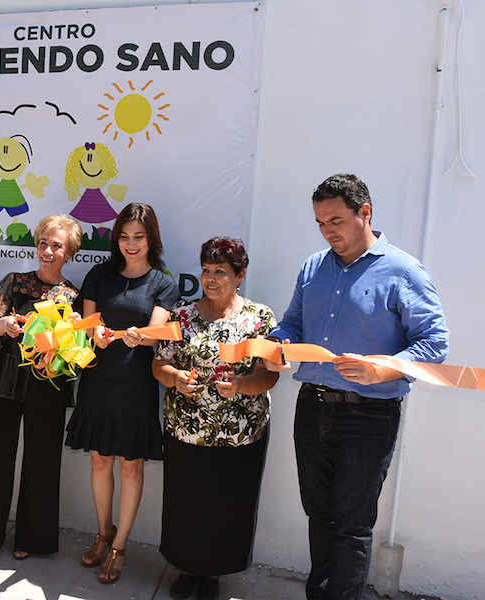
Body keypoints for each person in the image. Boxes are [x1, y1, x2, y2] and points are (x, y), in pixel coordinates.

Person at [262, 174, 449, 600]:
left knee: (352, 525)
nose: (328, 232)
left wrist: (386, 369)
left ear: (365, 213)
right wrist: (278, 342)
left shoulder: (404, 270)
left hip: (370, 415)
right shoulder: (314, 266)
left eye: (336, 220)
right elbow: (293, 321)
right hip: (312, 409)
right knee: (319, 515)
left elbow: (435, 344)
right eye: (320, 223)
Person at [152, 237, 279, 600]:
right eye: (206, 271)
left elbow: (269, 375)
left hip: (240, 433)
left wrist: (240, 384)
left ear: (240, 275)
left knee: (228, 504)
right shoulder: (182, 315)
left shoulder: (260, 318)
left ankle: (213, 574)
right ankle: (187, 567)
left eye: (220, 272)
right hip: (185, 430)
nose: (210, 279)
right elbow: (159, 363)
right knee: (186, 501)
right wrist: (175, 377)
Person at [65, 202, 179, 584]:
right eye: (125, 237)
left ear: (151, 240)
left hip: (136, 384)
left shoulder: (163, 281)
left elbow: (156, 333)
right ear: (116, 239)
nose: (131, 244)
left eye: (139, 237)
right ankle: (103, 533)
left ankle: (120, 546)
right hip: (98, 377)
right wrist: (91, 331)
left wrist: (141, 336)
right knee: (100, 460)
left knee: (131, 464)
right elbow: (85, 323)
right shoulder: (99, 274)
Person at [0, 214, 83, 559]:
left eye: (56, 245)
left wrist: (67, 338)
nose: (47, 251)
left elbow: (78, 347)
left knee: (42, 462)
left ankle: (32, 539)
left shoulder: (74, 296)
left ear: (70, 252)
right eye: (43, 243)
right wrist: (2, 324)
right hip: (6, 377)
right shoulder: (15, 282)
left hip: (48, 383)